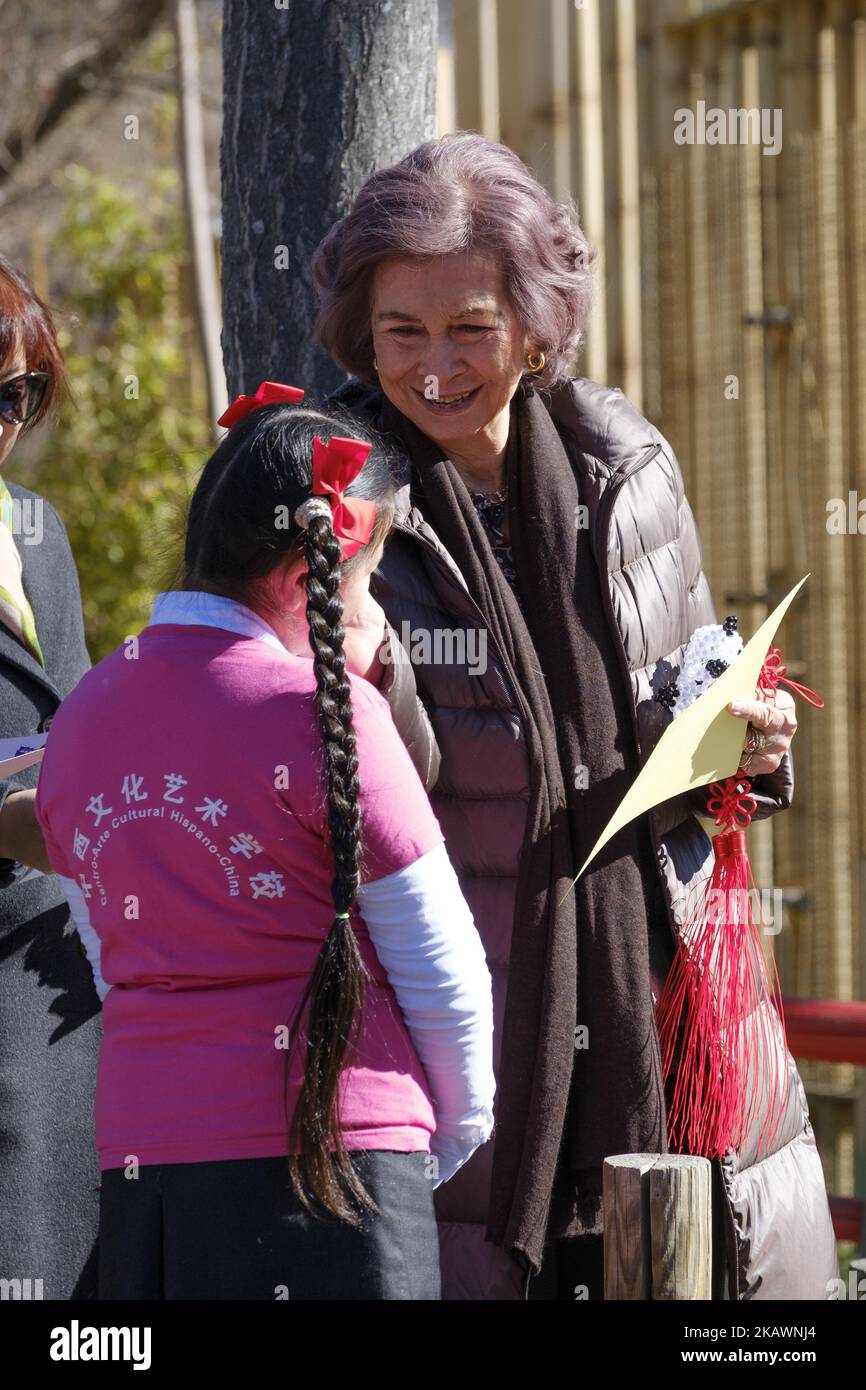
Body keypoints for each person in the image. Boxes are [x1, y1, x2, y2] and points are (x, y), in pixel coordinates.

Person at [311, 130, 838, 1300]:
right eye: (401, 331)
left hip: (672, 993)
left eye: (471, 328)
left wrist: (746, 740)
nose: (434, 365)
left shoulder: (622, 461)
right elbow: (351, 795)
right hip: (465, 1023)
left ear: (538, 323)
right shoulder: (337, 500)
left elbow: (683, 692)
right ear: (360, 333)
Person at [34, 389, 495, 1300]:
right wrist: (453, 1129)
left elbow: (105, 952)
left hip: (151, 1171)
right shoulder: (330, 715)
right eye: (364, 587)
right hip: (343, 1173)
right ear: (303, 582)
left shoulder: (84, 715)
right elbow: (442, 966)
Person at [0, 254, 100, 1300]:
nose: (3, 419)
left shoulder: (36, 531)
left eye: (20, 395)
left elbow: (68, 714)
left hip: (54, 960)